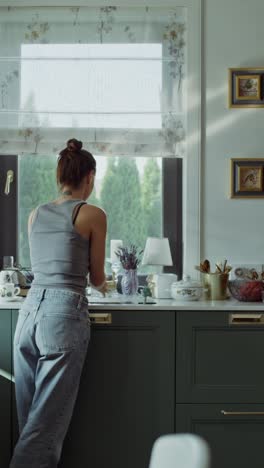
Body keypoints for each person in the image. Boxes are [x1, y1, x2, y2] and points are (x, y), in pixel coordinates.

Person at [10, 138, 107, 468]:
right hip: (62, 317)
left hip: (28, 316)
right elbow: (96, 277)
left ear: (60, 174)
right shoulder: (92, 213)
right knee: (42, 431)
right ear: (90, 176)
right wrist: (108, 286)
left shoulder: (35, 214)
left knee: (32, 425)